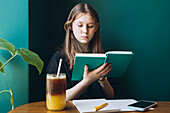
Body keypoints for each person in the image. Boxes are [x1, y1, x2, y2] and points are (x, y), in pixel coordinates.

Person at [47, 3, 115, 101]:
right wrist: (87, 81)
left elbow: (110, 96)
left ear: (96, 27)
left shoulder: (103, 58)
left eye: (90, 26)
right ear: (70, 26)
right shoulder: (59, 59)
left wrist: (103, 80)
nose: (85, 31)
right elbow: (57, 98)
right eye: (80, 25)